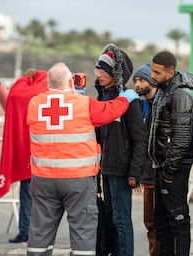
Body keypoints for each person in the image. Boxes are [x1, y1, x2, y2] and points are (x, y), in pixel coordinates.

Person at [26, 62, 139, 256]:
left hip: (43, 179)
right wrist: (125, 99)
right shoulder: (84, 103)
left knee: (40, 231)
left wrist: (71, 94)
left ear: (48, 83)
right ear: (71, 81)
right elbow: (109, 112)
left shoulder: (34, 104)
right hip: (78, 180)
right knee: (83, 231)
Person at [94, 43, 147, 256]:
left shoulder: (128, 101)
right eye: (98, 69)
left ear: (115, 73)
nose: (99, 74)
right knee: (109, 215)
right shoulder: (102, 98)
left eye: (104, 70)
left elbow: (140, 139)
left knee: (121, 219)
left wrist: (135, 172)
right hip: (105, 168)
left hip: (122, 170)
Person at [148, 51, 193, 256]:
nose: (152, 75)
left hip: (174, 167)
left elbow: (182, 138)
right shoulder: (163, 89)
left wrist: (169, 171)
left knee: (177, 218)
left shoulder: (180, 95)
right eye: (152, 70)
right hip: (161, 165)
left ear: (170, 72)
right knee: (161, 221)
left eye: (157, 72)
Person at [0, 69, 48, 244]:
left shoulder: (18, 93)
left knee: (27, 193)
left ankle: (25, 231)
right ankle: (44, 233)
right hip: (47, 152)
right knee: (49, 197)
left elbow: (8, 99)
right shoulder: (46, 90)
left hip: (25, 153)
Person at [132, 63, 158, 256]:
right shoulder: (140, 105)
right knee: (149, 222)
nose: (137, 85)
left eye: (141, 80)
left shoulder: (161, 104)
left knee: (161, 223)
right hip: (147, 174)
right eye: (135, 81)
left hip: (159, 172)